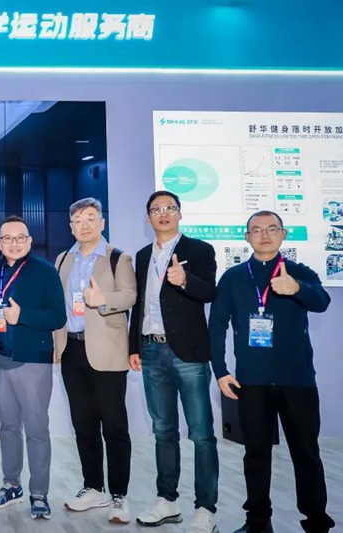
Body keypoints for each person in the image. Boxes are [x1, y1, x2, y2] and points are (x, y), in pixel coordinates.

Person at [209, 210, 335, 533]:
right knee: (255, 454)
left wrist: (297, 288)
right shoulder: (233, 278)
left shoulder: (299, 272)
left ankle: (317, 521)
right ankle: (258, 521)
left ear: (283, 234)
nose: (264, 235)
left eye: (272, 229)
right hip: (252, 382)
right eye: (257, 230)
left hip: (298, 381)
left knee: (306, 453)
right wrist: (220, 370)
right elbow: (217, 325)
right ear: (246, 237)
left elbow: (322, 301)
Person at [128, 190, 220, 532]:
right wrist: (133, 346)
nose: (163, 213)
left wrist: (185, 281)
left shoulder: (199, 250)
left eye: (169, 208)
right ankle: (167, 500)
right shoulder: (142, 255)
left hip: (189, 353)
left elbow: (209, 292)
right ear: (148, 217)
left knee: (201, 434)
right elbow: (139, 304)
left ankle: (205, 508)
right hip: (151, 350)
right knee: (163, 430)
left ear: (179, 213)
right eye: (156, 209)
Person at [53, 198, 136, 524]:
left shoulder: (118, 257)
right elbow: (59, 305)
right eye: (78, 220)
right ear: (71, 227)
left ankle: (119, 495)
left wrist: (104, 300)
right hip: (72, 350)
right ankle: (93, 487)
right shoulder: (63, 259)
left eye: (90, 218)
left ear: (102, 222)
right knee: (83, 424)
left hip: (107, 351)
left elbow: (129, 295)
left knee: (114, 426)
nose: (84, 224)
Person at [0, 215, 66, 520]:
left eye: (20, 238)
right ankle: (11, 485)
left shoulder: (45, 271)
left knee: (36, 430)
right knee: (8, 428)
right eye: (8, 238)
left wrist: (23, 316)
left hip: (32, 362)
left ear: (30, 241)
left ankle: (39, 493)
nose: (14, 243)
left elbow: (58, 316)